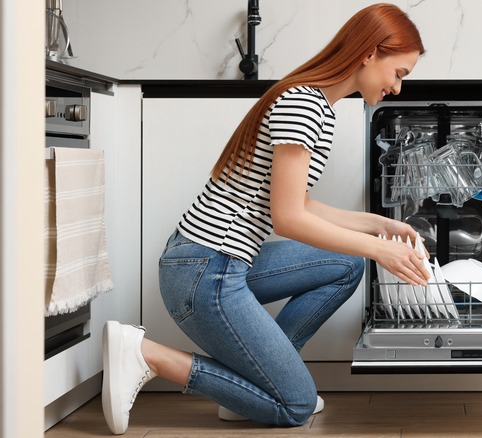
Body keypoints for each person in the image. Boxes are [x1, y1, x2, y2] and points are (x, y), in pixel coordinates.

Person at [100, 3, 427, 435]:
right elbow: (287, 218)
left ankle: (254, 387)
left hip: (207, 262)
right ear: (369, 53)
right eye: (399, 73)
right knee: (296, 406)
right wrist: (379, 250)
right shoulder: (306, 106)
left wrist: (377, 226)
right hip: (206, 272)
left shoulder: (315, 102)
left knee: (347, 265)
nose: (398, 88)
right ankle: (147, 355)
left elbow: (300, 204)